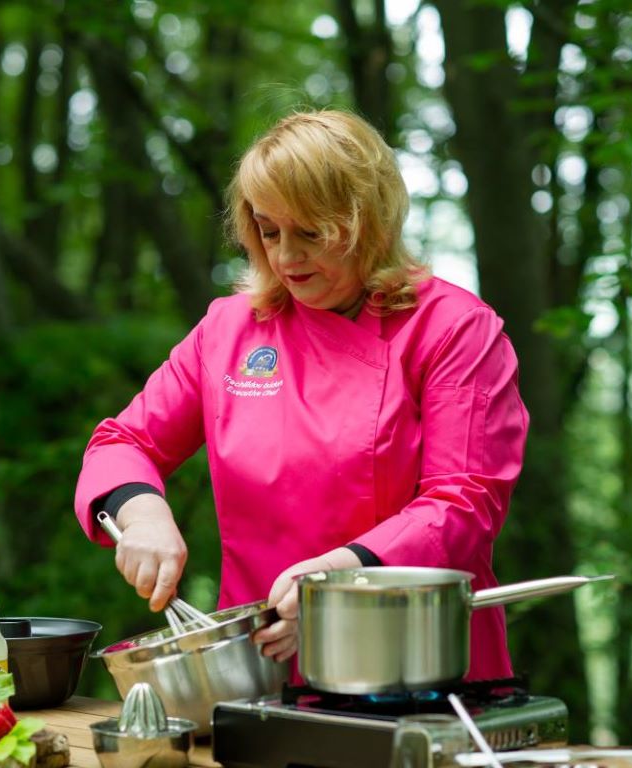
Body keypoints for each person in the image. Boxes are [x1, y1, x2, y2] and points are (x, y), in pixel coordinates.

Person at [73, 109, 528, 679]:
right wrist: (140, 515)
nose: (286, 257)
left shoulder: (453, 329)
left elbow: (463, 503)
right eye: (269, 231)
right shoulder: (229, 330)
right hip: (259, 664)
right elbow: (123, 442)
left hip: (418, 660)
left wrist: (338, 577)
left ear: (369, 223)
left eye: (311, 233)